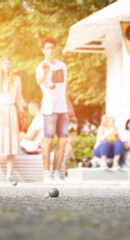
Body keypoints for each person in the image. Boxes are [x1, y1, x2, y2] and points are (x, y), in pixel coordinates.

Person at [36, 36, 75, 183]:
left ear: (55, 49)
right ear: (43, 51)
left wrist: (69, 106)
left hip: (62, 109)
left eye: (52, 47)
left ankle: (57, 172)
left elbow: (62, 87)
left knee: (63, 141)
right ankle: (47, 174)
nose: (50, 50)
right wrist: (46, 73)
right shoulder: (41, 66)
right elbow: (40, 80)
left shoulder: (62, 65)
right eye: (47, 48)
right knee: (48, 141)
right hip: (49, 109)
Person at [0, 55, 24, 184]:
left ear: (11, 65)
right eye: (4, 64)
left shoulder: (17, 79)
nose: (6, 66)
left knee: (11, 145)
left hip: (11, 111)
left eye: (8, 64)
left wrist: (22, 112)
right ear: (1, 66)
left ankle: (9, 175)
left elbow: (18, 98)